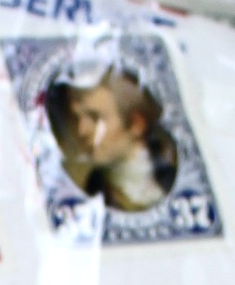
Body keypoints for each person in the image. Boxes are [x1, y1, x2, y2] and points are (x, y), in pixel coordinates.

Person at [52, 63, 178, 214]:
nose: (81, 130)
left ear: (137, 125)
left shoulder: (169, 178)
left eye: (94, 117)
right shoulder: (93, 191)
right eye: (77, 117)